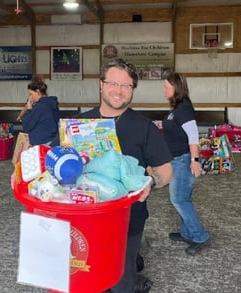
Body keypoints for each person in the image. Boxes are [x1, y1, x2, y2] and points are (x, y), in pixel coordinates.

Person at [52, 58, 173, 293]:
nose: (119, 91)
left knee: (121, 283)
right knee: (83, 276)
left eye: (126, 86)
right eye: (113, 83)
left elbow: (166, 169)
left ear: (133, 90)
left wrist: (152, 181)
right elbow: (50, 159)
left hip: (127, 222)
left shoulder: (144, 127)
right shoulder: (76, 124)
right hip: (81, 221)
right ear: (100, 84)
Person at [161, 72, 210, 256]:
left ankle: (199, 235)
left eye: (166, 86)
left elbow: (193, 137)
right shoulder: (177, 108)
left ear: (176, 88)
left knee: (179, 199)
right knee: (183, 198)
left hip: (183, 159)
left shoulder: (184, 108)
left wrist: (195, 160)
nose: (164, 90)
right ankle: (186, 232)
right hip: (176, 159)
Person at [20, 75, 60, 146]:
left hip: (42, 142)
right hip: (52, 140)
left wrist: (29, 109)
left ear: (37, 92)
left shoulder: (40, 107)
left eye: (31, 94)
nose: (30, 97)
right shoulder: (51, 103)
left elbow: (27, 126)